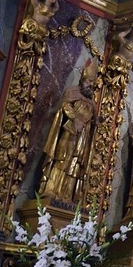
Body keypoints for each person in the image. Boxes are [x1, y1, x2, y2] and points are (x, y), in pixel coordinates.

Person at [37, 72, 97, 204]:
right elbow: (65, 106)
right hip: (70, 132)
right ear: (82, 79)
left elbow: (94, 119)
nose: (91, 85)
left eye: (93, 83)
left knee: (74, 164)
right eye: (89, 81)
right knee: (62, 158)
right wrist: (75, 119)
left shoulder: (92, 102)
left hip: (83, 138)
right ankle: (51, 189)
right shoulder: (72, 92)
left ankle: (67, 195)